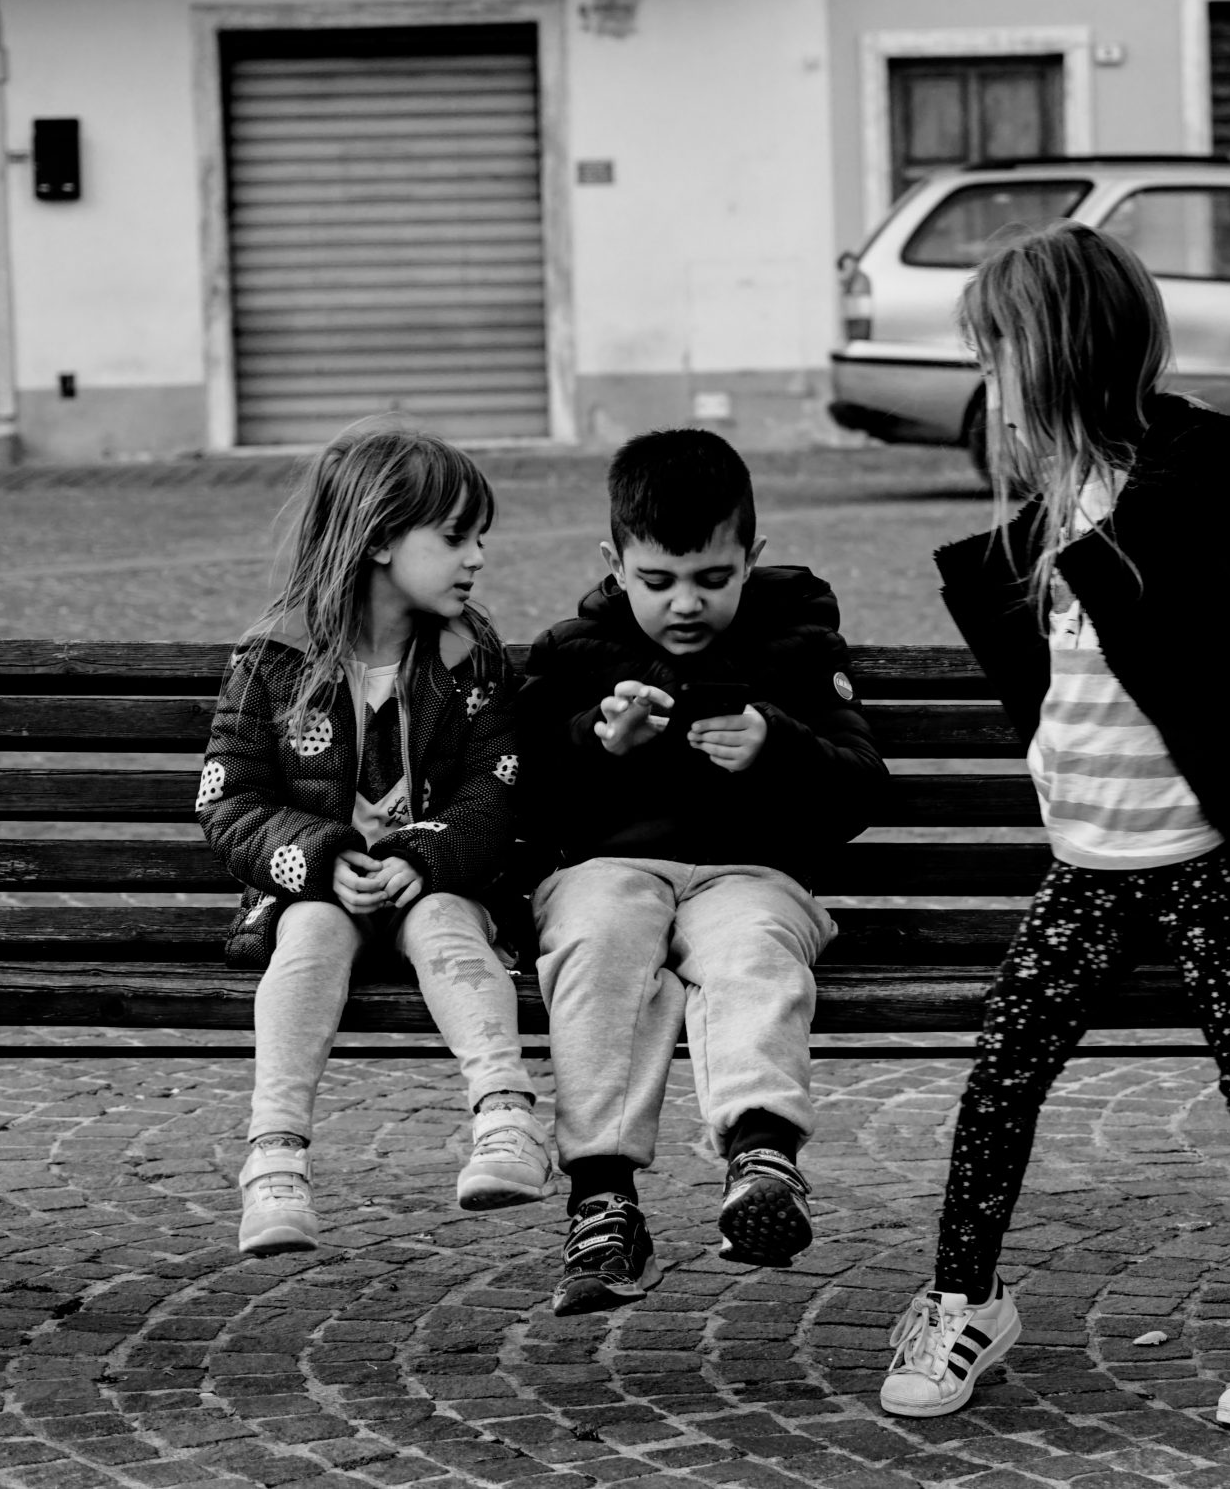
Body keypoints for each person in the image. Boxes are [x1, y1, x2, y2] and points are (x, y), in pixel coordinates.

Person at [878, 223, 1230, 1432]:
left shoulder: (1212, 468)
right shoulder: (1055, 501)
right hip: (1086, 865)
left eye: (994, 356)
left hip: (1205, 858)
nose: (985, 382)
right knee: (1003, 1069)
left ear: (1056, 355)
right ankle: (964, 1300)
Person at [516, 429, 888, 1316]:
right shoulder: (573, 654)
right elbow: (518, 791)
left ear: (751, 558)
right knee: (597, 943)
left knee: (753, 948)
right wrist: (596, 743)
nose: (685, 602)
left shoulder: (798, 646)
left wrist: (776, 745)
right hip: (609, 868)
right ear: (614, 563)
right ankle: (603, 1202)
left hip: (748, 872)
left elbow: (862, 788)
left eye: (713, 578)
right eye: (658, 580)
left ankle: (763, 1157)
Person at [200, 422, 546, 1257]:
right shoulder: (275, 658)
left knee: (445, 923)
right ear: (381, 539)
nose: (477, 558)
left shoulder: (468, 657)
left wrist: (424, 855)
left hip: (441, 887)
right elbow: (228, 798)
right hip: (319, 893)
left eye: (480, 538)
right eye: (455, 537)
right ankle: (274, 1160)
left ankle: (507, 1118)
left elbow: (496, 790)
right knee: (311, 932)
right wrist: (321, 858)